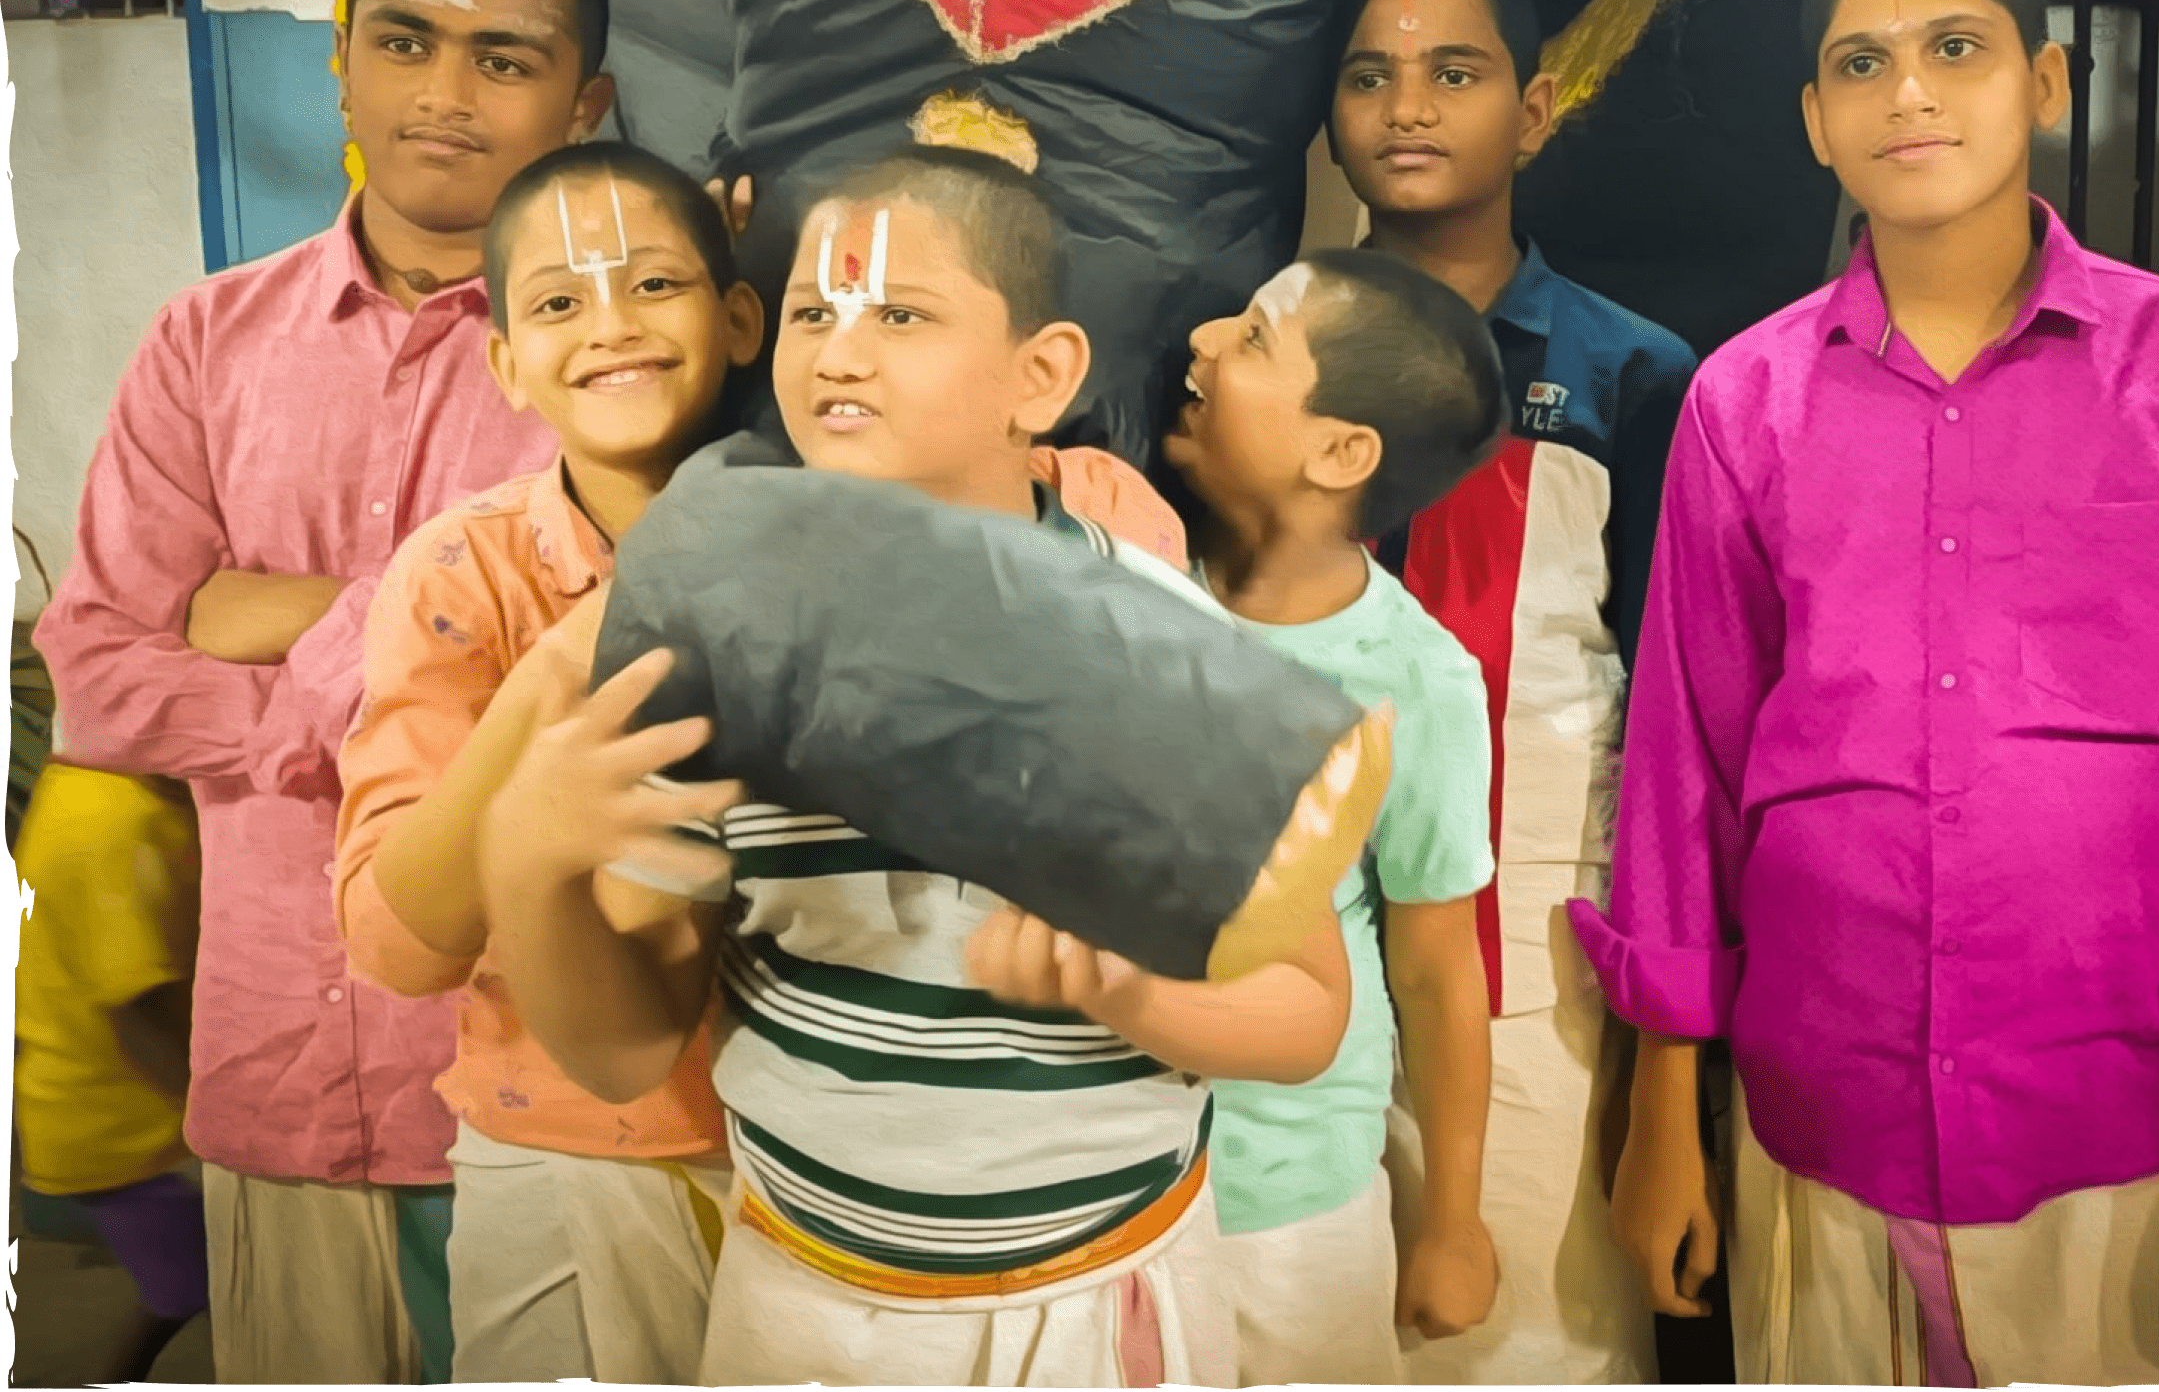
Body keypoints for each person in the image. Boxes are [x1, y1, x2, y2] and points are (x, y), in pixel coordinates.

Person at [476, 145, 1356, 1388]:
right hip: (798, 1310)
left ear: (1039, 375)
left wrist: (1129, 988)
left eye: (898, 313)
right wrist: (527, 868)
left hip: (1094, 1308)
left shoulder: (1158, 646)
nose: (839, 354)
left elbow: (1308, 1010)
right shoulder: (707, 646)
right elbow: (624, 1053)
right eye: (811, 313)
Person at [1577, 0, 2159, 1385]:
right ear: (1813, 122)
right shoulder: (1743, 401)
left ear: (2045, 81)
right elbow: (1684, 769)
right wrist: (1660, 1118)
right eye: (1860, 62)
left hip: (2119, 1119)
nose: (1906, 91)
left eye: (1954, 47)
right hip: (1821, 1111)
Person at [34, 0, 618, 1385]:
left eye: (504, 58)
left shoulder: (621, 359)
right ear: (340, 68)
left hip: (540, 1081)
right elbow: (102, 678)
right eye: (406, 41)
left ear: (585, 104)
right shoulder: (205, 341)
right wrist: (430, 658)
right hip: (278, 1053)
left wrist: (289, 614)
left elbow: (605, 679)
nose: (444, 92)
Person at [1325, 0, 1697, 1383]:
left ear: (1533, 111)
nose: (1407, 106)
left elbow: (1672, 710)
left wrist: (1662, 1045)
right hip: (1298, 949)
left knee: (1531, 1335)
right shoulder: (1255, 350)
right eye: (1369, 76)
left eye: (1453, 72)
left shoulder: (1629, 373)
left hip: (1531, 955)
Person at [331, 142, 763, 1384]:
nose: (611, 325)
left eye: (653, 284)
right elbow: (396, 945)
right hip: (561, 1146)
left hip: (818, 1148)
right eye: (561, 301)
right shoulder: (465, 574)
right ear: (507, 362)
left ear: (740, 318)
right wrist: (560, 664)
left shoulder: (829, 538)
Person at [1163, 249, 1505, 1385]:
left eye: (1254, 335)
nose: (1203, 338)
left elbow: (1437, 965)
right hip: (1103, 1186)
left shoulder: (1416, 678)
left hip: (1289, 1206)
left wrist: (1451, 1219)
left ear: (1340, 452)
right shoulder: (1122, 579)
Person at [14, 763, 208, 1383]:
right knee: (194, 1286)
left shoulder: (83, 779)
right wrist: (209, 1125)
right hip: (125, 1129)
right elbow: (135, 1004)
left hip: (95, 1106)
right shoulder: (117, 819)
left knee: (189, 1284)